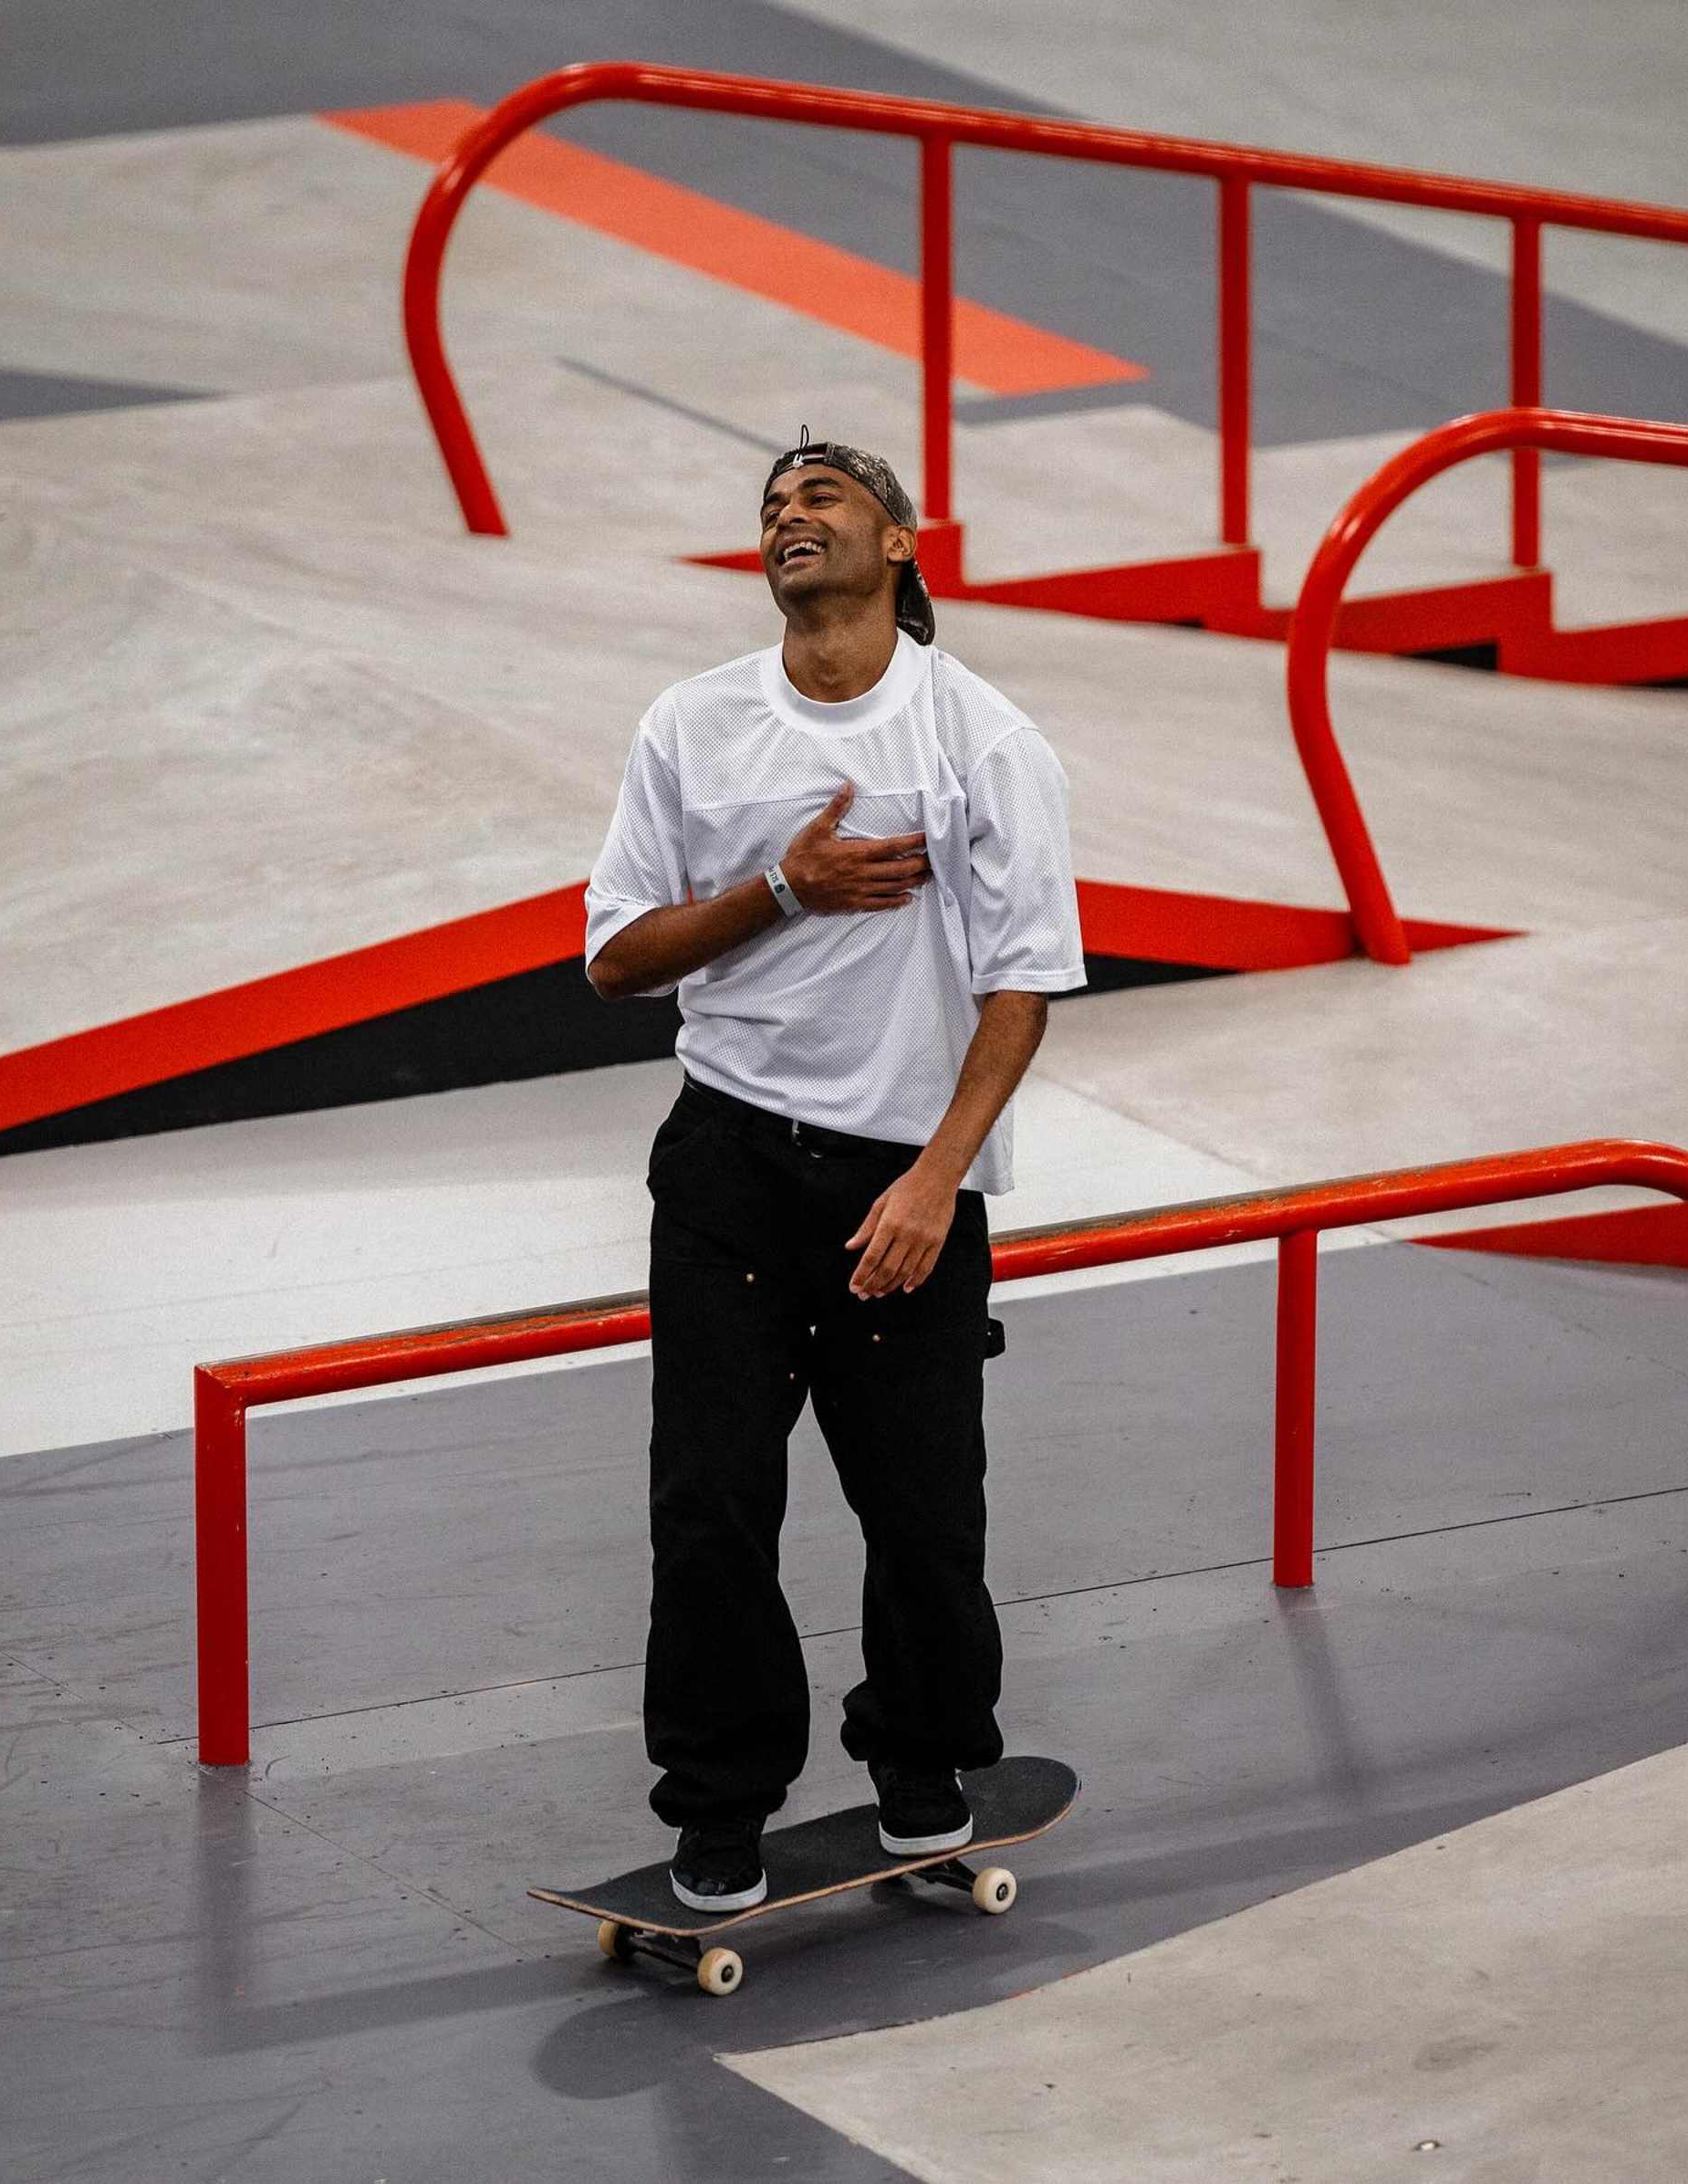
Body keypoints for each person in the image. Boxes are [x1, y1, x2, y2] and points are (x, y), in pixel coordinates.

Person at [584, 432, 1085, 1911]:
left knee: (924, 1508)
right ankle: (722, 1808)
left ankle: (926, 1770)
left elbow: (1023, 983)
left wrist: (938, 1178)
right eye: (772, 506)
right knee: (712, 1503)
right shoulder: (693, 723)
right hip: (730, 1161)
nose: (789, 517)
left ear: (903, 541)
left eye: (824, 498)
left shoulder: (981, 739)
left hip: (902, 1177)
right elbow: (615, 958)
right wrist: (781, 889)